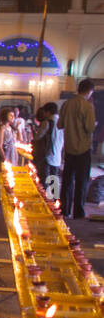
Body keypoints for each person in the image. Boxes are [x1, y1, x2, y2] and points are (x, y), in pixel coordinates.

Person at [60, 79, 95, 219]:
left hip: (69, 148)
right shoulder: (87, 106)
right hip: (83, 149)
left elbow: (60, 124)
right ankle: (78, 213)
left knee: (67, 181)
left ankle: (64, 209)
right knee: (81, 182)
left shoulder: (67, 104)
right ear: (89, 91)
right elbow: (90, 128)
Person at [43, 102, 63, 195]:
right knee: (54, 176)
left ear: (48, 112)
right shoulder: (61, 121)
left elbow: (41, 137)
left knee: (47, 176)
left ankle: (48, 198)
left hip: (49, 153)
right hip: (58, 152)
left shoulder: (48, 122)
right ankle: (54, 198)